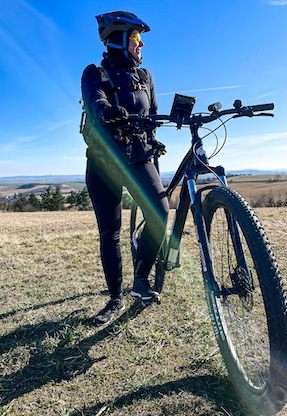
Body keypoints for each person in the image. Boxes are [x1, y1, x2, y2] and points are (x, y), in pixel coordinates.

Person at [80, 11, 169, 325]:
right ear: (118, 39)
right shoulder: (94, 72)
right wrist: (108, 111)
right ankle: (115, 298)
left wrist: (154, 143)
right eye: (135, 38)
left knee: (160, 212)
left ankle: (141, 279)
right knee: (110, 232)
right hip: (104, 163)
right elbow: (94, 100)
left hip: (139, 157)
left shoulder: (144, 77)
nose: (140, 43)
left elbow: (154, 114)